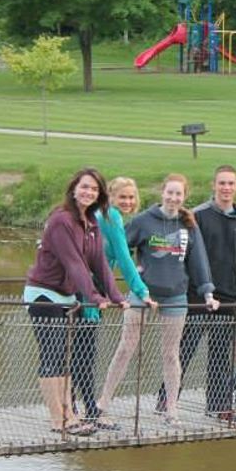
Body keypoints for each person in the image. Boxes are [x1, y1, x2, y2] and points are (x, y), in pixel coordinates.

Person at [24, 168, 129, 437]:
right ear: (73, 189)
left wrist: (116, 295)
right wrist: (94, 297)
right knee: (52, 355)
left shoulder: (90, 223)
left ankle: (69, 415)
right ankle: (58, 419)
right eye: (84, 187)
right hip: (44, 293)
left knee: (64, 357)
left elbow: (99, 263)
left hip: (67, 296)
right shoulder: (62, 220)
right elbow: (74, 263)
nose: (88, 192)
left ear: (100, 195)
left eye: (94, 189)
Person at [111, 173, 219, 427]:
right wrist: (132, 269)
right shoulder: (143, 221)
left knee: (171, 354)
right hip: (144, 294)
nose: (173, 197)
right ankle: (103, 403)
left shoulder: (188, 225)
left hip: (175, 296)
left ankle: (171, 409)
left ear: (184, 196)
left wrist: (208, 293)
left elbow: (199, 261)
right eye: (169, 192)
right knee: (126, 349)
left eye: (178, 194)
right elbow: (118, 247)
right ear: (162, 193)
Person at [160, 165, 236, 423]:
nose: (226, 188)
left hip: (228, 298)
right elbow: (177, 252)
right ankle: (166, 399)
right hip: (195, 296)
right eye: (222, 183)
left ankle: (218, 405)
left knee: (221, 355)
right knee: (183, 350)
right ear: (213, 185)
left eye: (230, 183)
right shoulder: (197, 216)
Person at [86, 177, 157, 430]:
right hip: (89, 289)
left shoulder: (100, 215)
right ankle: (91, 412)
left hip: (90, 286)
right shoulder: (110, 216)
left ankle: (78, 409)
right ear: (110, 197)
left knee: (79, 351)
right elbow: (124, 257)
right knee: (85, 352)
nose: (127, 201)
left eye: (131, 197)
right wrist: (141, 289)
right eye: (122, 197)